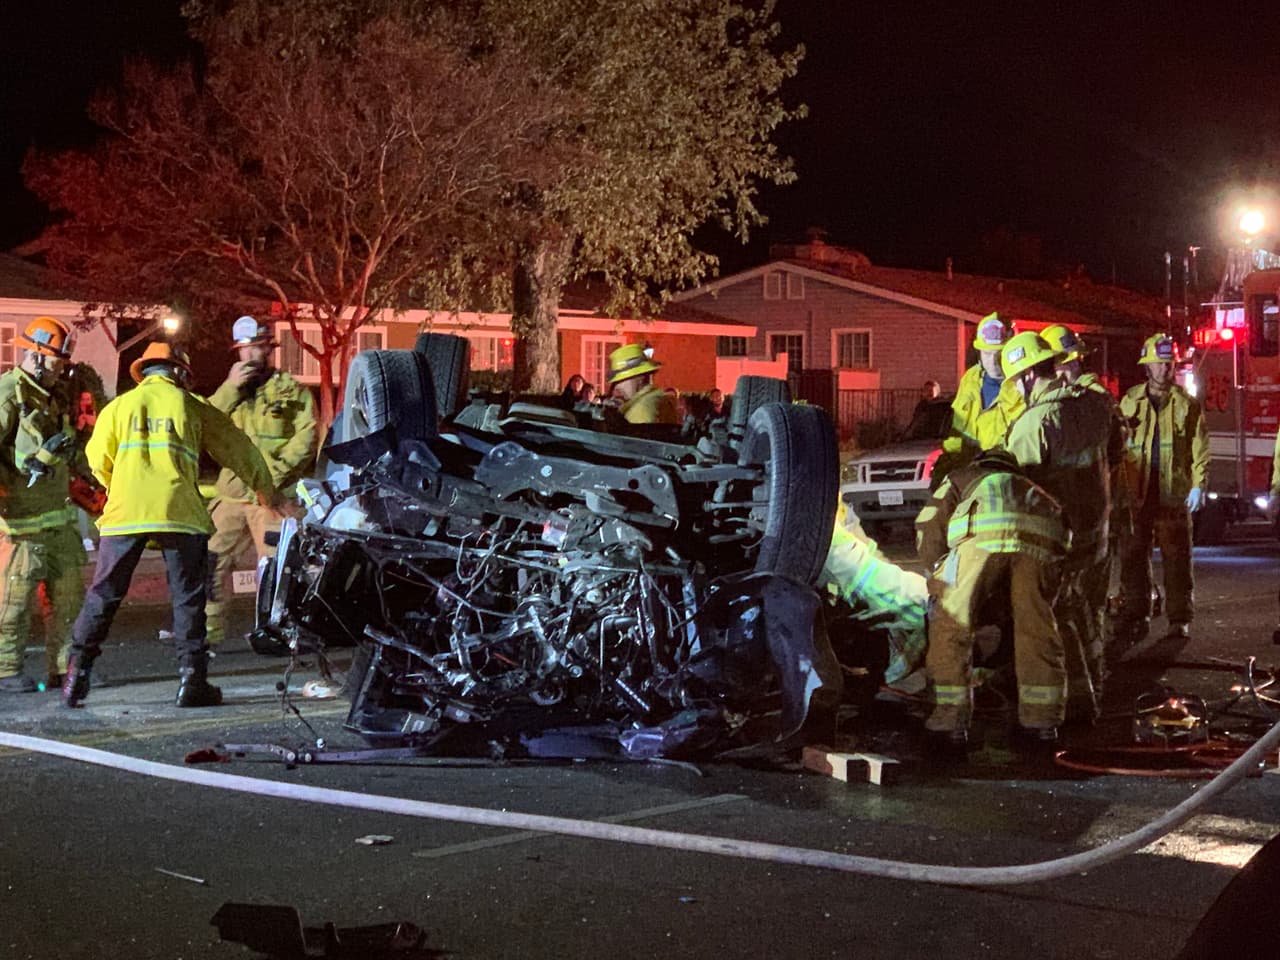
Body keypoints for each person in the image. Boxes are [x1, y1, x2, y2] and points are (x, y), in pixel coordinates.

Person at [62, 342, 277, 709]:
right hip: (179, 513)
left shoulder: (119, 407)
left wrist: (120, 486)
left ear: (144, 372)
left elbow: (97, 458)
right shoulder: (191, 405)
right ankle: (192, 680)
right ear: (179, 372)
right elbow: (237, 448)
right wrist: (265, 490)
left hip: (125, 514)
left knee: (104, 593)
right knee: (188, 597)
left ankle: (76, 675)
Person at [915, 448, 1068, 755]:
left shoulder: (961, 477)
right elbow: (1062, 547)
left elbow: (929, 524)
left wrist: (938, 577)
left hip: (979, 539)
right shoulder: (1033, 489)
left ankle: (949, 724)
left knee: (951, 625)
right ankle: (1042, 725)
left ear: (980, 463)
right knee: (1036, 630)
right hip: (1042, 544)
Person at [1001, 331, 1111, 722]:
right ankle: (1097, 682)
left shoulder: (1033, 425)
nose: (1017, 390)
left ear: (1029, 376)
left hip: (1059, 540)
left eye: (1016, 381)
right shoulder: (1093, 405)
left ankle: (1078, 704)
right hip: (1096, 534)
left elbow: (1018, 493)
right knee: (1084, 610)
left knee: (1057, 618)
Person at [205, 316, 317, 648]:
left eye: (257, 347)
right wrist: (230, 388)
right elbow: (203, 424)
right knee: (210, 560)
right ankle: (207, 634)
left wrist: (271, 477)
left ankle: (279, 632)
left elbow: (307, 437)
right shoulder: (230, 391)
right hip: (232, 494)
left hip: (273, 498)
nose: (251, 355)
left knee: (278, 568)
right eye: (245, 349)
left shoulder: (291, 391)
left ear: (269, 349)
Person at [0, 317, 86, 694]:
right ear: (35, 355)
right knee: (13, 603)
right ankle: (5, 670)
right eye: (56, 360)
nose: (62, 368)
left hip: (58, 520)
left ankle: (64, 670)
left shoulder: (53, 395)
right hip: (20, 525)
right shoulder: (8, 394)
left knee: (69, 600)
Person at [1115, 334, 1209, 644]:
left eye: (1169, 363)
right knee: (1133, 559)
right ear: (1147, 366)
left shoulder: (1186, 404)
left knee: (1178, 562)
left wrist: (1199, 485)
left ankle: (1179, 619)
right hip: (1136, 495)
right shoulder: (1130, 401)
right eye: (1159, 363)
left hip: (1172, 494)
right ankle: (1136, 614)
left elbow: (1199, 448)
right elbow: (1118, 448)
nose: (1165, 369)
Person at [933, 312, 1024, 485]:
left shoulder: (1021, 386)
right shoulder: (970, 380)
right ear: (979, 352)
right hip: (968, 474)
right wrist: (946, 464)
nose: (993, 361)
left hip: (1004, 476)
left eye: (999, 354)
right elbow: (958, 432)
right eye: (987, 354)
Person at [606, 343, 680, 425]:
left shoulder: (641, 410)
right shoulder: (656, 399)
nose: (618, 387)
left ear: (640, 377)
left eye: (622, 380)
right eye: (616, 382)